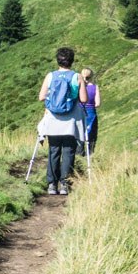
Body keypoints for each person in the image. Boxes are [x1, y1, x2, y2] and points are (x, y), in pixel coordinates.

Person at [37, 47, 86, 195]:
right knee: (69, 151)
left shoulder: (50, 76)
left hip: (53, 119)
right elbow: (84, 99)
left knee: (53, 150)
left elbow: (41, 97)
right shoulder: (77, 76)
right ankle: (65, 184)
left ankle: (52, 184)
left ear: (58, 60)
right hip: (71, 120)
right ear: (72, 61)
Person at [79, 67, 100, 155]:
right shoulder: (95, 87)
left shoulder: (79, 87)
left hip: (79, 111)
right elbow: (98, 104)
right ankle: (90, 154)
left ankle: (79, 153)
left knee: (79, 133)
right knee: (91, 134)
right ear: (91, 76)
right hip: (91, 112)